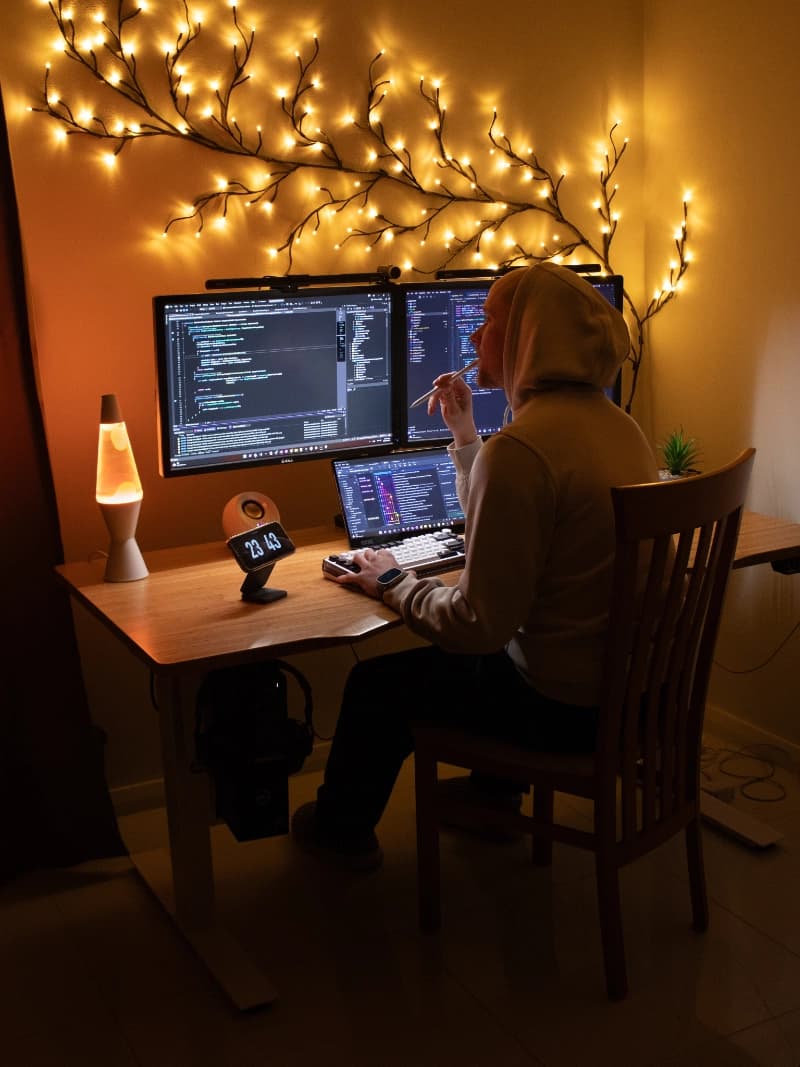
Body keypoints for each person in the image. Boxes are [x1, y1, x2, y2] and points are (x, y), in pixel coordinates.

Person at [291, 262, 658, 871]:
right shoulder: (617, 428)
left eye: (487, 323)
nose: (472, 339)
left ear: (526, 338)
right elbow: (519, 525)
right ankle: (494, 801)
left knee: (377, 687)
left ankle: (340, 834)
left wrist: (390, 581)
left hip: (561, 713)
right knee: (499, 656)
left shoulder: (523, 449)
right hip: (627, 698)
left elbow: (476, 625)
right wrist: (466, 437)